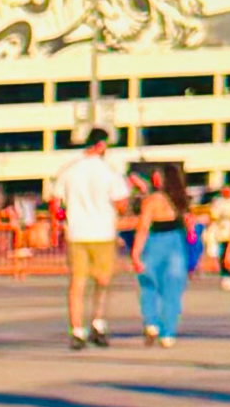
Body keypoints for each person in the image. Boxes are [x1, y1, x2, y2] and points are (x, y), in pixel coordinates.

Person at [50, 125, 127, 349]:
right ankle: (98, 322)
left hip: (77, 232)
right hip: (102, 232)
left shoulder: (69, 170)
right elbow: (121, 203)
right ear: (101, 145)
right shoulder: (109, 172)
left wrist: (63, 218)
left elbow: (55, 203)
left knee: (77, 283)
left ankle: (76, 329)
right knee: (102, 281)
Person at [131, 160, 192, 345]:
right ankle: (168, 332)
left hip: (155, 241)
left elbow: (143, 226)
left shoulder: (152, 200)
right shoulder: (181, 200)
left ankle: (151, 322)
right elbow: (190, 227)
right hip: (176, 242)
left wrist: (135, 252)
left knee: (149, 284)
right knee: (172, 290)